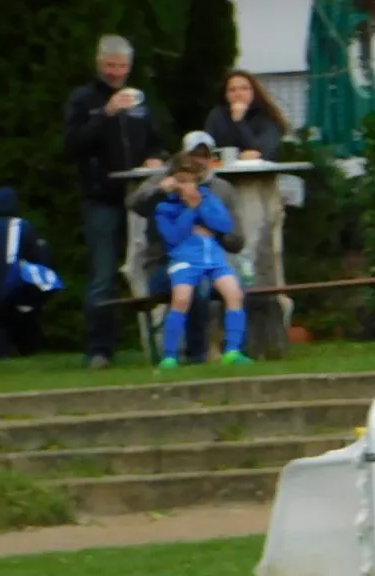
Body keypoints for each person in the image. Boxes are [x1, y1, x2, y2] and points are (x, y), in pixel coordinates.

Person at [64, 34, 166, 369]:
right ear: (99, 63)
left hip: (140, 197)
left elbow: (155, 140)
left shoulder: (139, 100)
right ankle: (99, 349)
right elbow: (73, 145)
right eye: (110, 65)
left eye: (122, 66)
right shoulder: (83, 100)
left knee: (148, 264)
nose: (116, 72)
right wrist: (105, 114)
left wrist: (154, 157)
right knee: (103, 274)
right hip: (101, 197)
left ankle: (161, 341)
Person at [131, 136, 236, 364]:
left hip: (208, 260)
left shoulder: (220, 189)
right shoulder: (162, 188)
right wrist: (163, 193)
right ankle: (193, 354)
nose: (199, 160)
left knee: (235, 288)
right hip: (164, 263)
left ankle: (233, 350)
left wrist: (212, 228)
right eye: (194, 154)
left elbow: (236, 238)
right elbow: (136, 204)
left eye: (205, 155)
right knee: (197, 286)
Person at [150, 164, 251, 367]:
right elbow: (173, 237)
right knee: (181, 299)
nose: (187, 186)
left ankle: (232, 351)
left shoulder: (209, 199)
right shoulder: (164, 208)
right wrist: (190, 210)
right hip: (184, 260)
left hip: (214, 258)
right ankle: (169, 356)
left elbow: (224, 225)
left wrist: (201, 208)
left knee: (234, 294)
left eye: (190, 181)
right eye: (181, 181)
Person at [0, 188, 54, 359]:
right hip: (18, 287)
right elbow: (41, 259)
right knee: (25, 325)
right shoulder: (23, 227)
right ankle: (27, 352)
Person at [204, 70, 288, 162]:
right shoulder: (217, 115)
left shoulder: (267, 116)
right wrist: (237, 157)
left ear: (254, 92)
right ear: (226, 95)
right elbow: (208, 150)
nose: (238, 94)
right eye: (232, 90)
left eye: (244, 88)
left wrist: (239, 122)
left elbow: (264, 152)